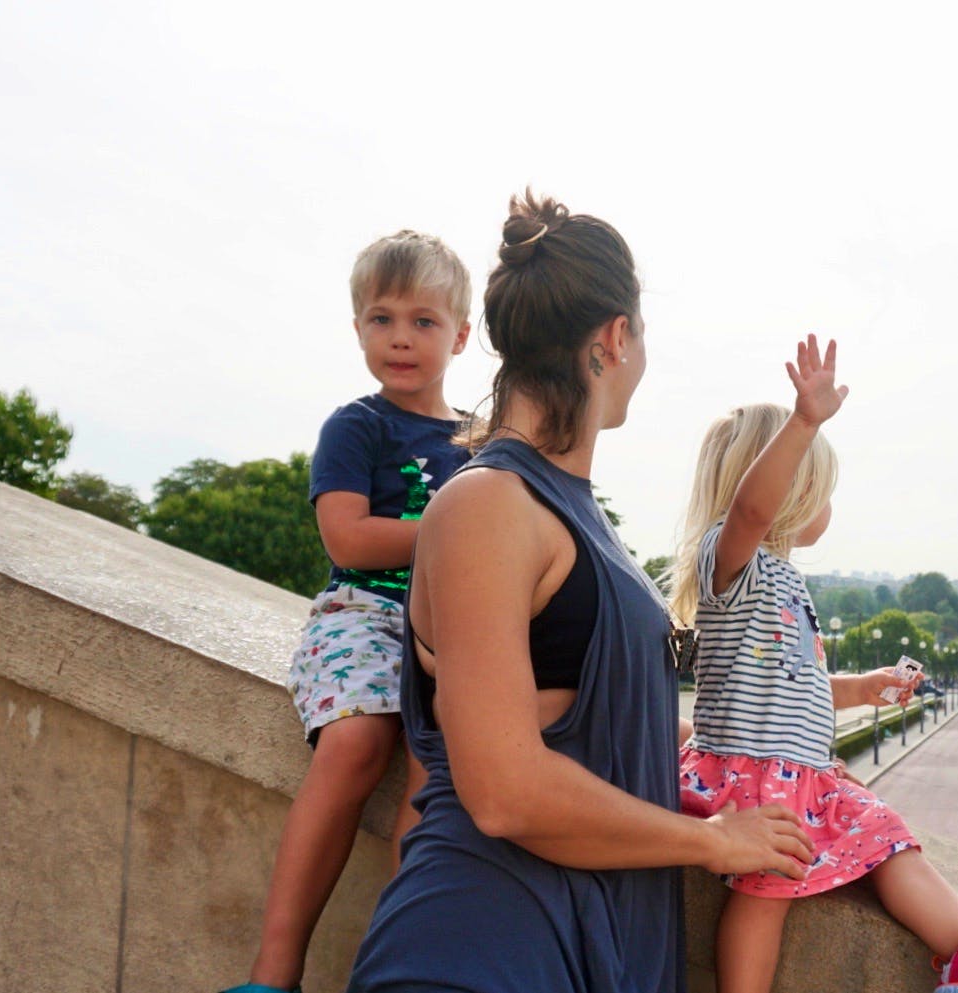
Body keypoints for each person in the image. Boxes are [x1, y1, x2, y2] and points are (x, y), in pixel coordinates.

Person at [344, 192, 815, 993]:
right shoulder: (487, 502)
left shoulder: (564, 511)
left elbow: (594, 718)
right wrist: (713, 841)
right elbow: (505, 791)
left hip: (569, 946)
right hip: (480, 947)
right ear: (615, 337)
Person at [221, 230, 473, 993]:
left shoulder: (482, 444)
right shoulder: (357, 425)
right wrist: (459, 528)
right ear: (358, 327)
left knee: (436, 778)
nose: (400, 337)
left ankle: (400, 970)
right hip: (362, 613)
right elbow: (349, 538)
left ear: (460, 335)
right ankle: (274, 971)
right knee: (356, 740)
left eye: (423, 321)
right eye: (381, 318)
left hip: (450, 630)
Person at [669, 335, 958, 993]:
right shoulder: (733, 562)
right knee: (768, 884)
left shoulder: (779, 580)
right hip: (756, 774)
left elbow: (791, 685)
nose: (829, 507)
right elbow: (750, 508)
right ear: (791, 491)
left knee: (884, 831)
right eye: (819, 489)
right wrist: (803, 424)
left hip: (790, 772)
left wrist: (862, 687)